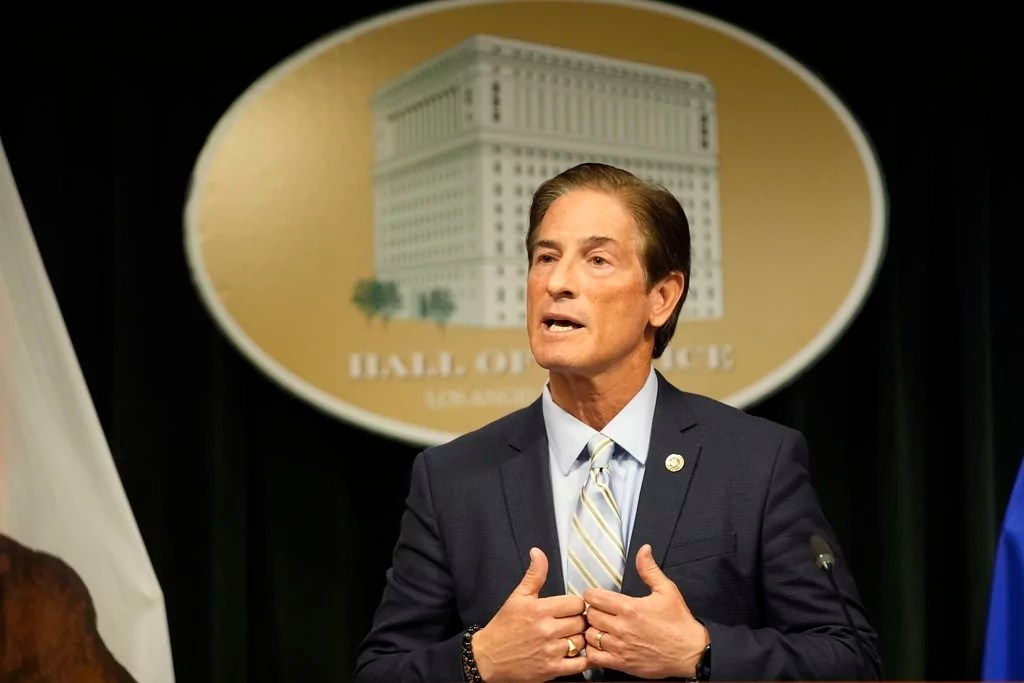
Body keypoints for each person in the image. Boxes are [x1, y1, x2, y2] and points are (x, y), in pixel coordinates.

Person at [354, 162, 881, 682]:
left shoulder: (755, 462)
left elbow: (849, 659)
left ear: (662, 297)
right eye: (545, 257)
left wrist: (701, 652)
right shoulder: (453, 478)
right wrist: (480, 659)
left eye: (597, 260)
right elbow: (380, 671)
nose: (558, 282)